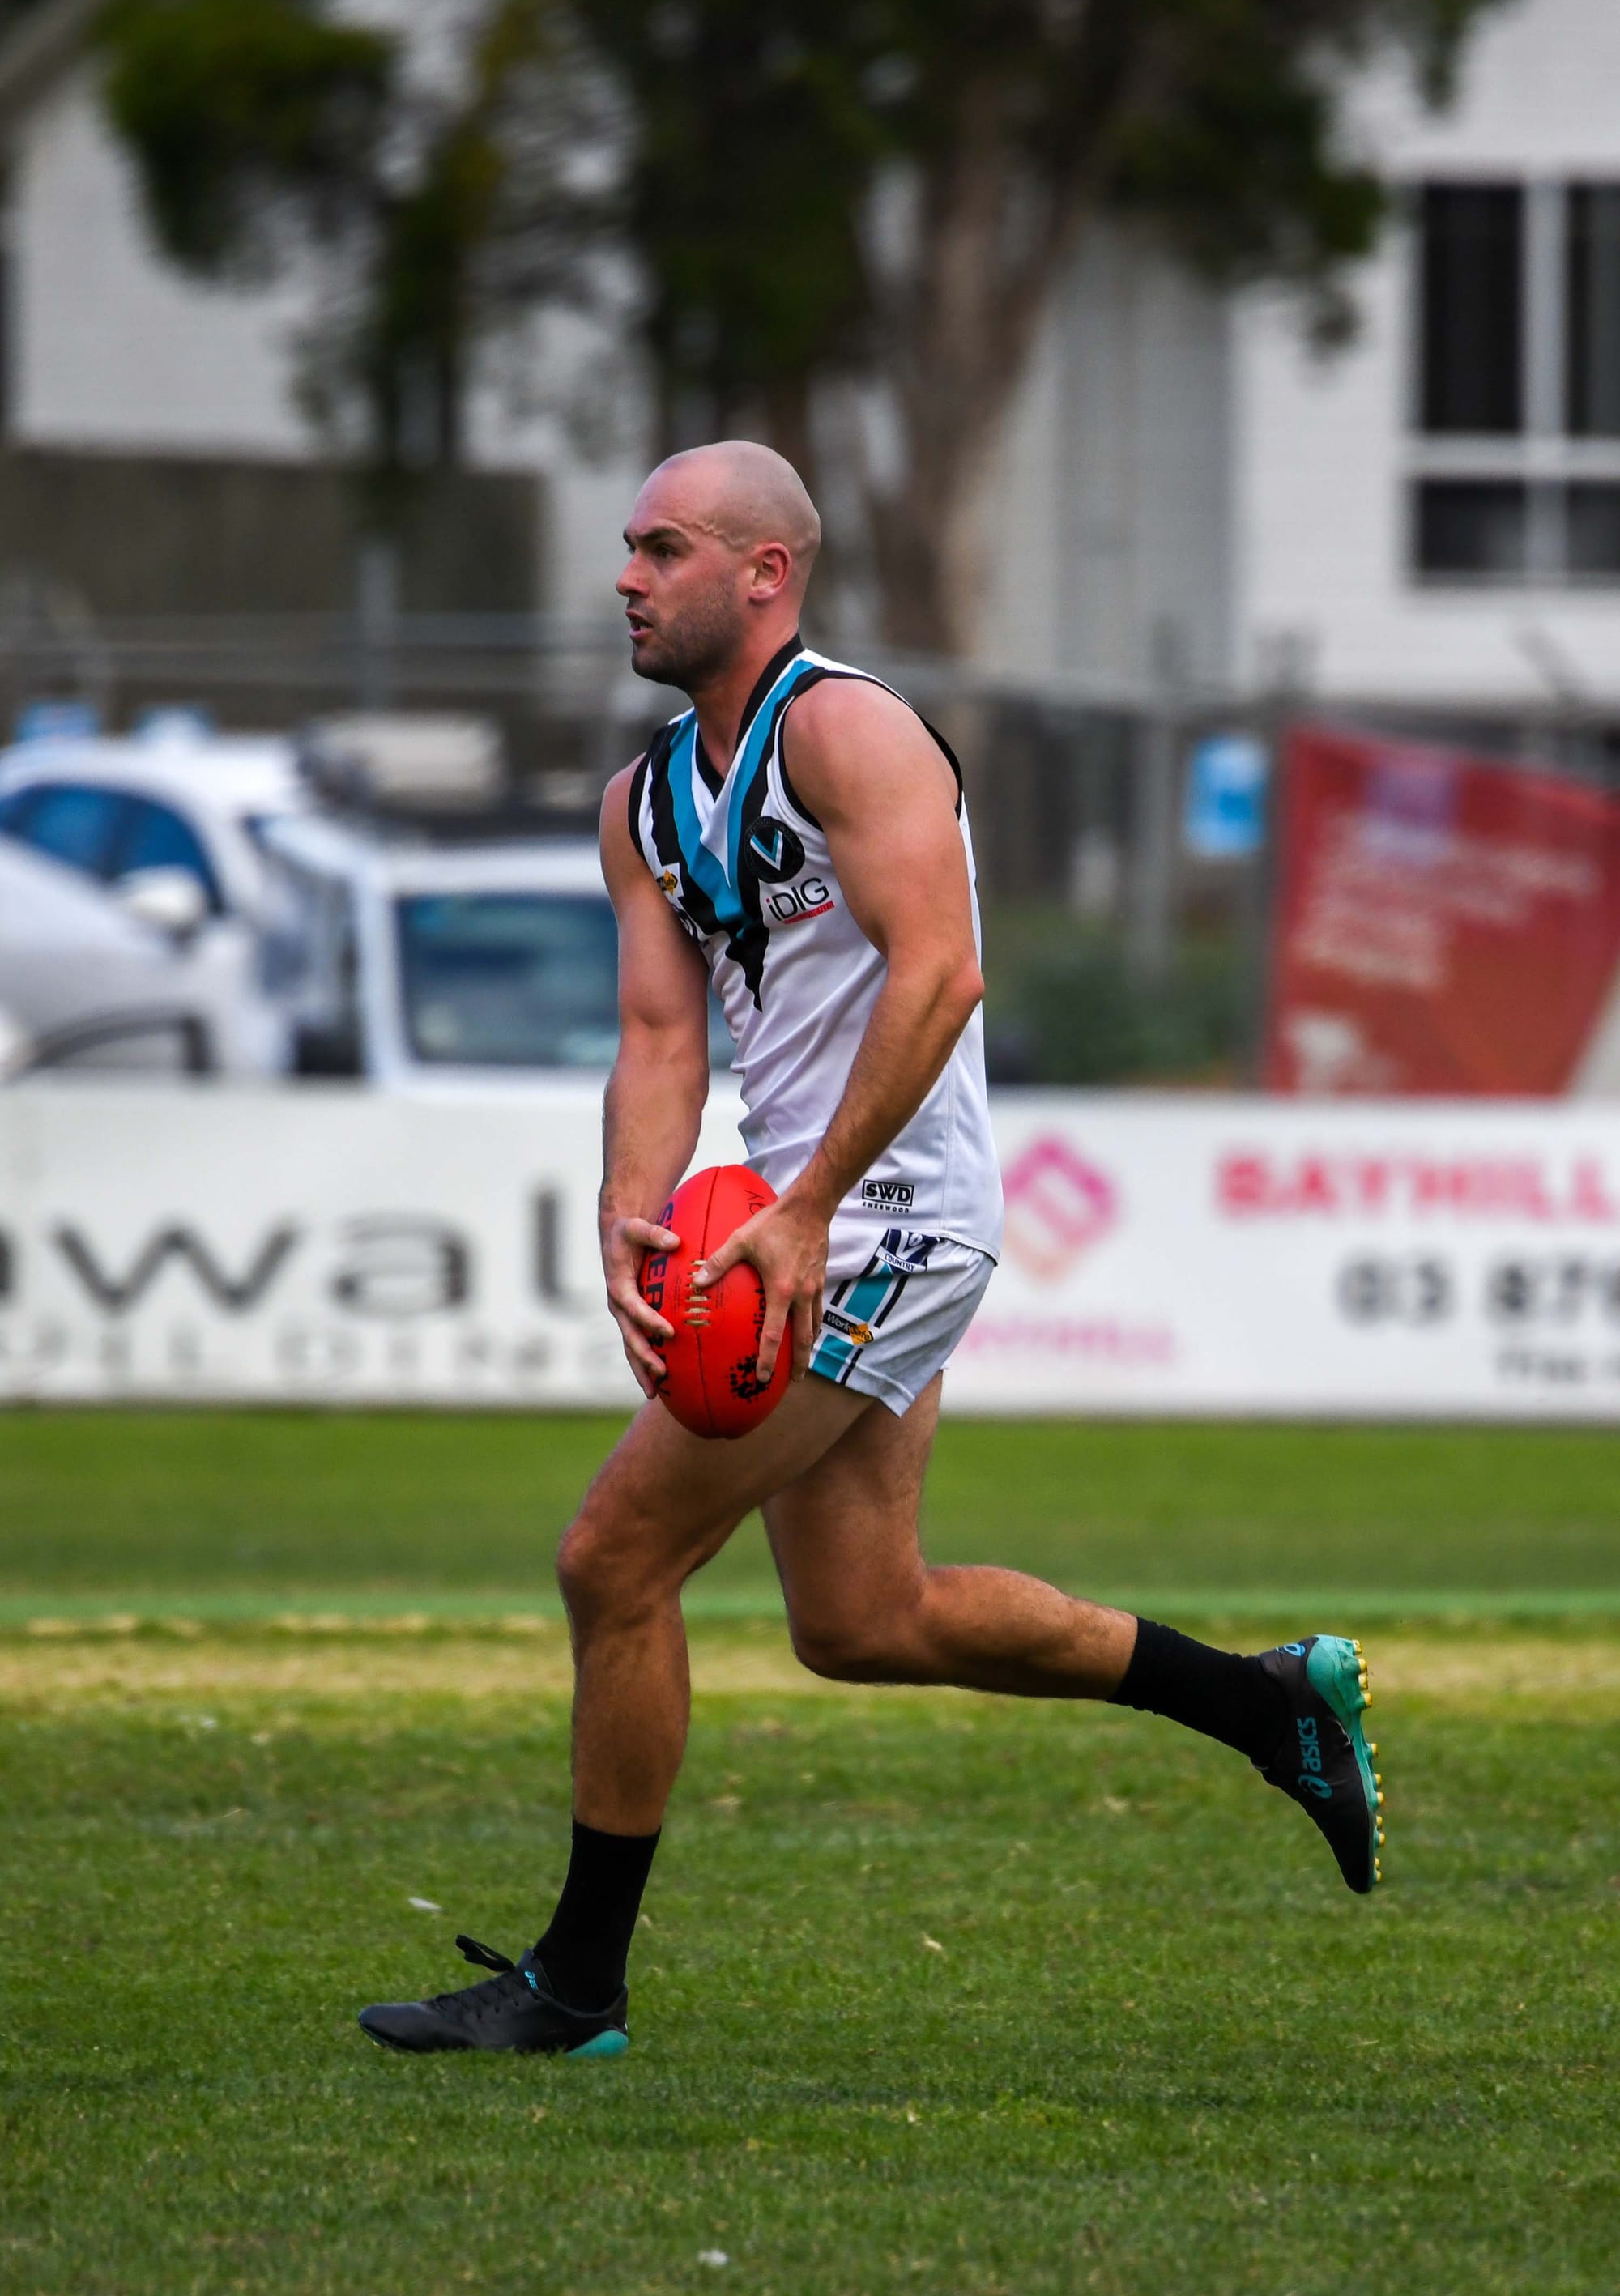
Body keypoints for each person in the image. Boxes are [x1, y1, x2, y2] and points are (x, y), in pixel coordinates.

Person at [358, 442, 1384, 2058]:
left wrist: (807, 1208)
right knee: (861, 1620)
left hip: (889, 1217)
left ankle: (576, 1989)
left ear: (766, 573)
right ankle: (1266, 1704)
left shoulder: (847, 729)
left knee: (612, 1559)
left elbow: (942, 977)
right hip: (804, 1219)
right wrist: (636, 1217)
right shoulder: (639, 799)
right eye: (625, 547)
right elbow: (653, 1028)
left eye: (663, 547)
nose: (624, 575)